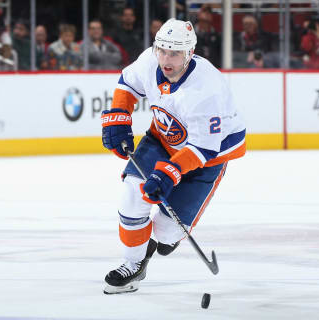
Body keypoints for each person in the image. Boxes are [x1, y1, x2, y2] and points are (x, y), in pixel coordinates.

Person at [101, 18, 246, 294]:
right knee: (134, 194)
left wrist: (168, 173)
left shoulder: (207, 90)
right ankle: (133, 264)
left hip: (207, 157)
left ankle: (164, 238)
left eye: (175, 53)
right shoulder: (150, 61)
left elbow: (203, 148)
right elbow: (128, 83)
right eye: (162, 50)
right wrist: (119, 119)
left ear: (189, 53)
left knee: (166, 234)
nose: (166, 59)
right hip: (162, 139)